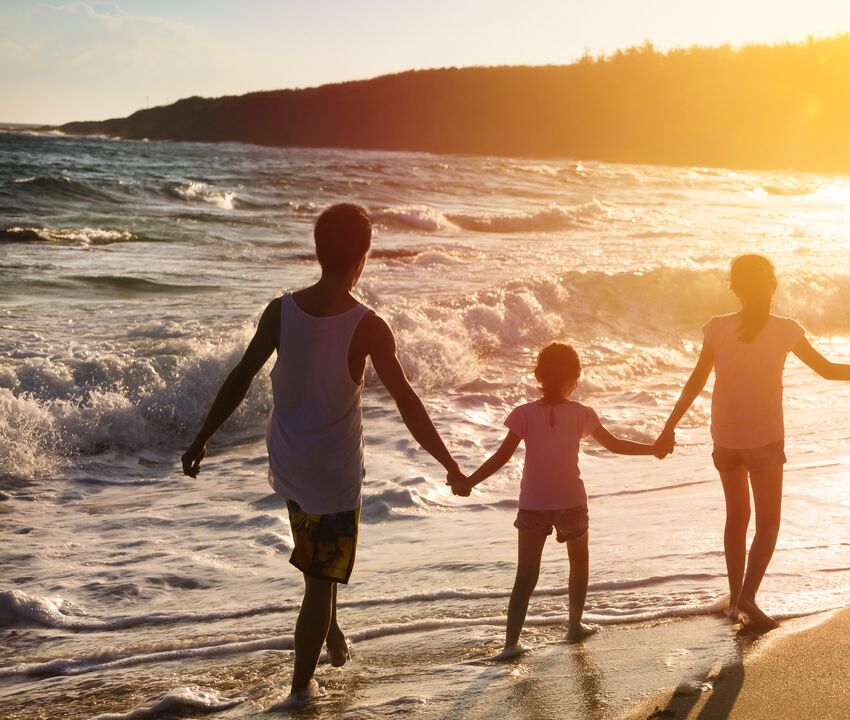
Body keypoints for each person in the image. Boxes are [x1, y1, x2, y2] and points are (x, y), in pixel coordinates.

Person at [180, 203, 465, 702]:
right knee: (319, 581)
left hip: (288, 461)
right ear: (363, 258)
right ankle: (299, 692)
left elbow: (241, 377)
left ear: (318, 252)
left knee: (318, 564)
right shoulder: (369, 325)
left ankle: (330, 630)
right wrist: (449, 463)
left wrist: (202, 435)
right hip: (333, 475)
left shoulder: (280, 310)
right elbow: (407, 403)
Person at [656, 254, 850, 634]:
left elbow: (696, 381)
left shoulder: (717, 328)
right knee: (768, 523)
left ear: (733, 288)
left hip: (726, 439)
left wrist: (669, 427)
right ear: (772, 286)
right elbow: (828, 370)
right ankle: (748, 597)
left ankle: (737, 602)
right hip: (764, 438)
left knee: (736, 519)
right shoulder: (785, 330)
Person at [449, 342, 667, 659]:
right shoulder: (581, 414)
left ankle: (511, 644)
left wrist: (469, 481)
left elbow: (500, 457)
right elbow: (615, 445)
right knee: (578, 562)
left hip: (533, 503)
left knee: (526, 574)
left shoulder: (523, 414)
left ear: (538, 375)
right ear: (575, 378)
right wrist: (653, 449)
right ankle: (574, 625)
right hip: (571, 501)